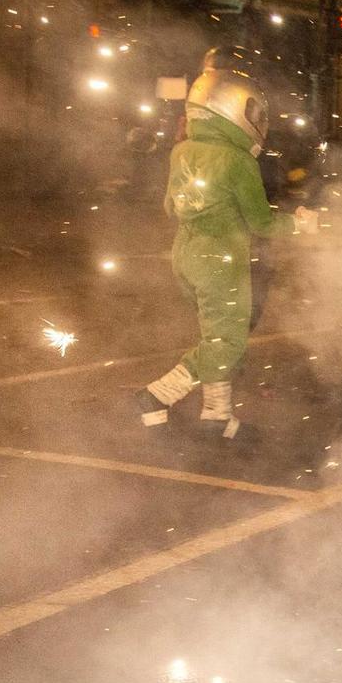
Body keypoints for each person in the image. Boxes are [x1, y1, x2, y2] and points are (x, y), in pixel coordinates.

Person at [137, 69, 317, 441]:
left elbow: (171, 207)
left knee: (217, 335)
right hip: (222, 263)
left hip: (186, 255)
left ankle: (216, 414)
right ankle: (156, 396)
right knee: (226, 343)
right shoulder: (238, 161)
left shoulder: (181, 151)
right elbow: (262, 223)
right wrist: (299, 224)